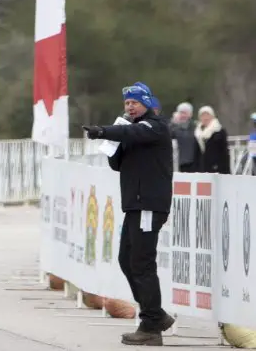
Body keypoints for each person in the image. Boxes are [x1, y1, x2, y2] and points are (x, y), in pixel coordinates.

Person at [82, 82, 175, 346]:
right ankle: (155, 315)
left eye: (134, 102)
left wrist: (102, 131)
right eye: (126, 103)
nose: (130, 106)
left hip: (148, 205)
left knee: (142, 263)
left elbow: (135, 133)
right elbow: (116, 163)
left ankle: (151, 325)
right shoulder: (131, 131)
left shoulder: (155, 127)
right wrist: (113, 140)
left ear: (147, 103)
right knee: (126, 259)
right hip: (134, 205)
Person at [193, 106, 230, 174]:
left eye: (207, 115)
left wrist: (223, 168)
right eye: (203, 115)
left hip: (217, 167)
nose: (205, 118)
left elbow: (224, 152)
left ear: (212, 116)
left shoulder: (219, 131)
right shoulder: (197, 133)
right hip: (202, 168)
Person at [169, 102, 197, 173]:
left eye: (185, 113)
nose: (183, 115)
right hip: (178, 162)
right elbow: (167, 136)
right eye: (181, 113)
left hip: (193, 162)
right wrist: (173, 123)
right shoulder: (174, 127)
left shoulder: (195, 127)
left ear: (190, 114)